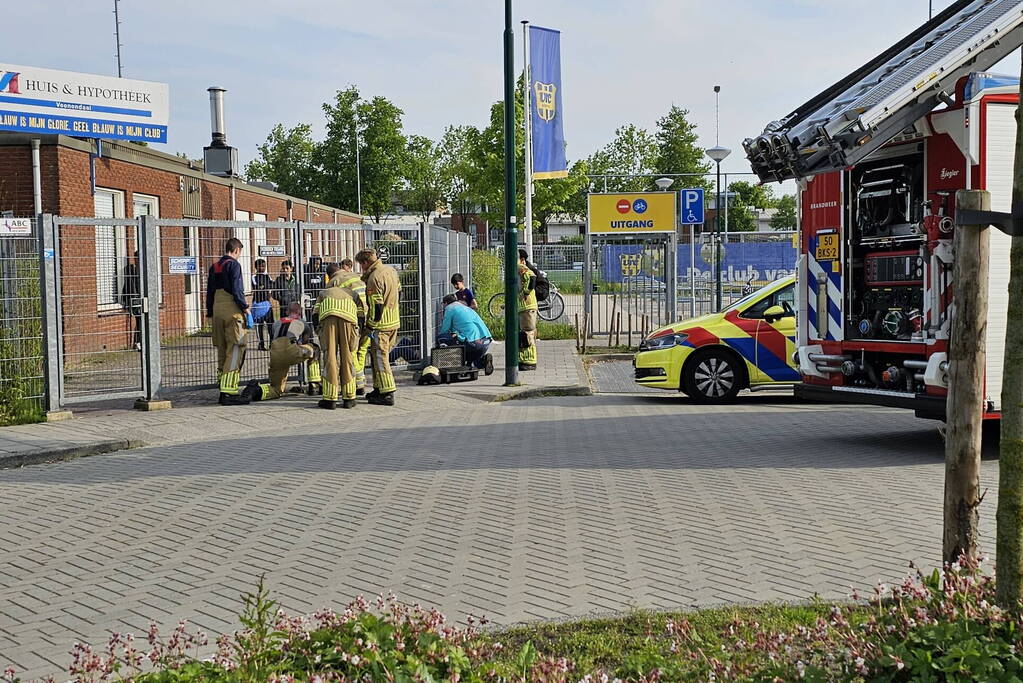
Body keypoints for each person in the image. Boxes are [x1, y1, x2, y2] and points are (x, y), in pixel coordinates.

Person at [243, 302, 321, 402]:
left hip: (275, 353)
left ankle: (256, 390)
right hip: (291, 350)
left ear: (287, 311)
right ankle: (314, 385)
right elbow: (306, 342)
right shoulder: (303, 323)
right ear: (300, 312)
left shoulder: (276, 323)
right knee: (314, 349)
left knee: (276, 389)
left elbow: (274, 337)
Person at [206, 237, 251, 405]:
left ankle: (221, 386)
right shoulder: (234, 265)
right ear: (237, 250)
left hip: (217, 311)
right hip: (232, 312)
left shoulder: (214, 267)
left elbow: (209, 292)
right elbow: (237, 288)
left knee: (222, 349)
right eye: (240, 253)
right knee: (237, 348)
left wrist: (210, 311)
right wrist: (245, 307)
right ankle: (229, 392)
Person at [356, 248, 401, 406]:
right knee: (377, 357)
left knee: (381, 359)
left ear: (366, 262)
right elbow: (399, 291)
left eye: (361, 265)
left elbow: (377, 306)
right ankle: (378, 388)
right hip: (394, 320)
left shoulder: (374, 278)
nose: (361, 269)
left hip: (381, 325)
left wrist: (370, 326)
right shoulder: (391, 271)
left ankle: (388, 392)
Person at [314, 263, 360, 410]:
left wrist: (318, 330)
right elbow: (361, 313)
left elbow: (315, 314)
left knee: (330, 357)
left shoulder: (324, 292)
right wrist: (359, 329)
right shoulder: (352, 292)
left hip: (328, 318)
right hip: (349, 318)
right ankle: (349, 398)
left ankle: (330, 399)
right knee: (348, 356)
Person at [437, 294, 494, 375]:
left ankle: (451, 364)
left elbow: (445, 329)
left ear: (446, 303)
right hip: (485, 340)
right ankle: (483, 361)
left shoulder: (449, 309)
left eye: (443, 304)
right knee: (476, 357)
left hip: (472, 342)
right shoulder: (466, 308)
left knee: (442, 338)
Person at [337, 258, 369, 395]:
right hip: (368, 317)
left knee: (352, 351)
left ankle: (358, 382)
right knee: (362, 350)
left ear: (348, 267)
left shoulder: (343, 282)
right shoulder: (360, 279)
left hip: (355, 319)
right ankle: (360, 382)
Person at [518, 248, 538, 371]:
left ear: (522, 260)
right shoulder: (520, 270)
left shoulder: (523, 268)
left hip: (527, 307)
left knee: (527, 333)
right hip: (525, 307)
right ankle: (525, 359)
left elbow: (532, 278)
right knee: (526, 333)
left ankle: (529, 361)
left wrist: (526, 292)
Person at [251, 259, 275, 351]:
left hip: (267, 304)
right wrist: (265, 287)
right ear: (256, 267)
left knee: (270, 325)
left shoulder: (267, 276)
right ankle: (261, 344)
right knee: (259, 325)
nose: (263, 268)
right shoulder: (254, 277)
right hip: (258, 304)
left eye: (264, 266)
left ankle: (272, 344)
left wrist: (264, 287)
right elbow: (257, 287)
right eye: (261, 266)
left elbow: (271, 286)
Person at [120, 251, 142, 351]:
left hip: (144, 300)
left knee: (143, 322)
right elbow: (128, 286)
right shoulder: (132, 270)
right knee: (139, 322)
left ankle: (142, 341)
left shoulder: (144, 270)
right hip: (137, 300)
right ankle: (138, 342)